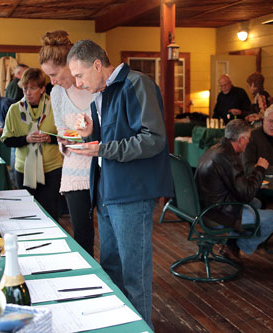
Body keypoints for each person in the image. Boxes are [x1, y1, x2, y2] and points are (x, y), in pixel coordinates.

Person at [66, 39, 173, 328]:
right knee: (111, 268)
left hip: (131, 194)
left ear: (97, 65)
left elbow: (154, 139)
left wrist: (101, 148)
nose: (77, 82)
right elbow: (107, 141)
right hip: (106, 191)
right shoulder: (102, 93)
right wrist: (90, 134)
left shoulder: (138, 84)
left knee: (134, 275)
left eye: (79, 75)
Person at [39, 30, 95, 257]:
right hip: (75, 171)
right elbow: (62, 129)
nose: (52, 81)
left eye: (54, 74)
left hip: (106, 166)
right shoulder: (57, 94)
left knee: (111, 234)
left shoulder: (96, 88)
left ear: (71, 65)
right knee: (82, 233)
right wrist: (64, 140)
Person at [195, 119, 273, 261]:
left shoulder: (215, 149)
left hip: (207, 206)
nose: (248, 142)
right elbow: (246, 194)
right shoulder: (228, 158)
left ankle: (231, 243)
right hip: (218, 214)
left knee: (256, 203)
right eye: (248, 139)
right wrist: (260, 169)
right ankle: (237, 246)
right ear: (241, 139)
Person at [0, 68, 63, 221]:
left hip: (52, 168)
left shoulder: (55, 106)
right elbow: (7, 140)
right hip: (24, 169)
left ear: (42, 89)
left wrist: (50, 138)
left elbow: (67, 136)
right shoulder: (14, 110)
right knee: (28, 213)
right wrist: (25, 139)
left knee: (51, 213)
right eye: (25, 88)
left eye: (33, 88)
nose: (28, 92)